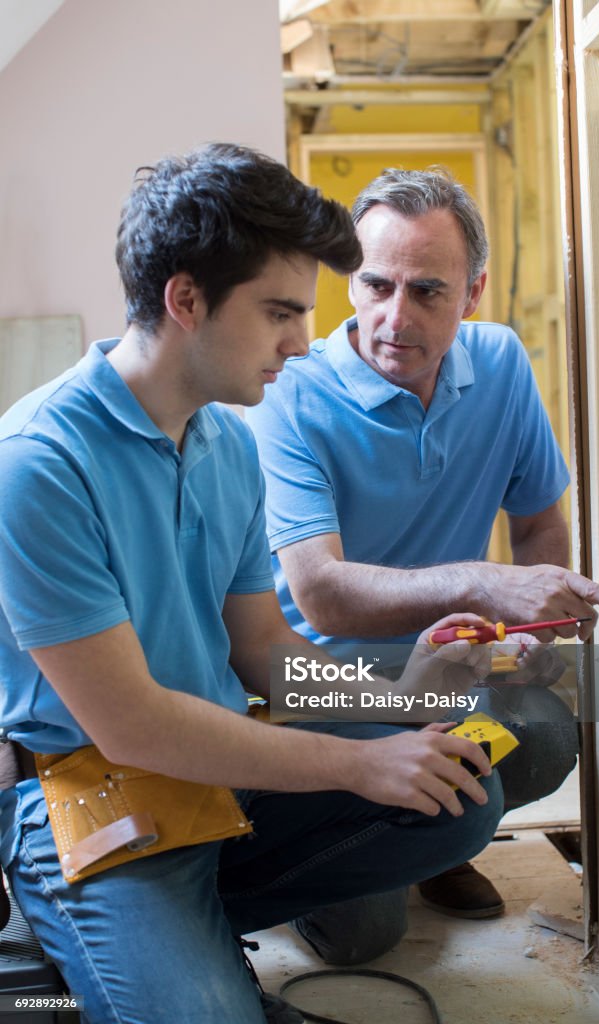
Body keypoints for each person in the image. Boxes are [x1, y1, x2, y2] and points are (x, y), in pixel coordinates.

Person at [0, 144, 532, 1024]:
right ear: (186, 299)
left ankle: (177, 935)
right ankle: (90, 927)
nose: (302, 341)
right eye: (280, 312)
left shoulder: (224, 443)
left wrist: (396, 695)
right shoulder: (38, 464)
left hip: (223, 774)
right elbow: (131, 725)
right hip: (97, 799)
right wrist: (359, 761)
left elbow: (267, 653)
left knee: (456, 793)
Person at [245, 167, 599, 961]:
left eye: (428, 291)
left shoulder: (501, 364)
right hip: (312, 680)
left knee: (543, 735)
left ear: (474, 290)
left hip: (451, 664)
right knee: (361, 940)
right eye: (375, 285)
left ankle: (441, 839)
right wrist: (482, 583)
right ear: (349, 281)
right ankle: (342, 863)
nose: (395, 317)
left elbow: (539, 529)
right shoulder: (293, 395)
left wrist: (532, 636)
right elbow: (321, 598)